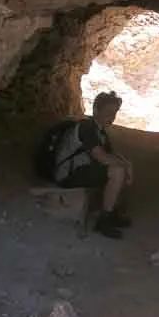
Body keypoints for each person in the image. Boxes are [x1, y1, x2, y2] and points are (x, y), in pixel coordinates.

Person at [53, 91, 133, 238]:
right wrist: (126, 166)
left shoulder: (100, 132)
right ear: (96, 110)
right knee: (117, 171)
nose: (112, 117)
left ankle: (112, 211)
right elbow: (102, 157)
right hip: (68, 174)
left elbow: (111, 156)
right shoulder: (86, 127)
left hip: (81, 170)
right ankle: (104, 220)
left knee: (119, 168)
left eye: (114, 112)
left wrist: (125, 162)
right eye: (108, 112)